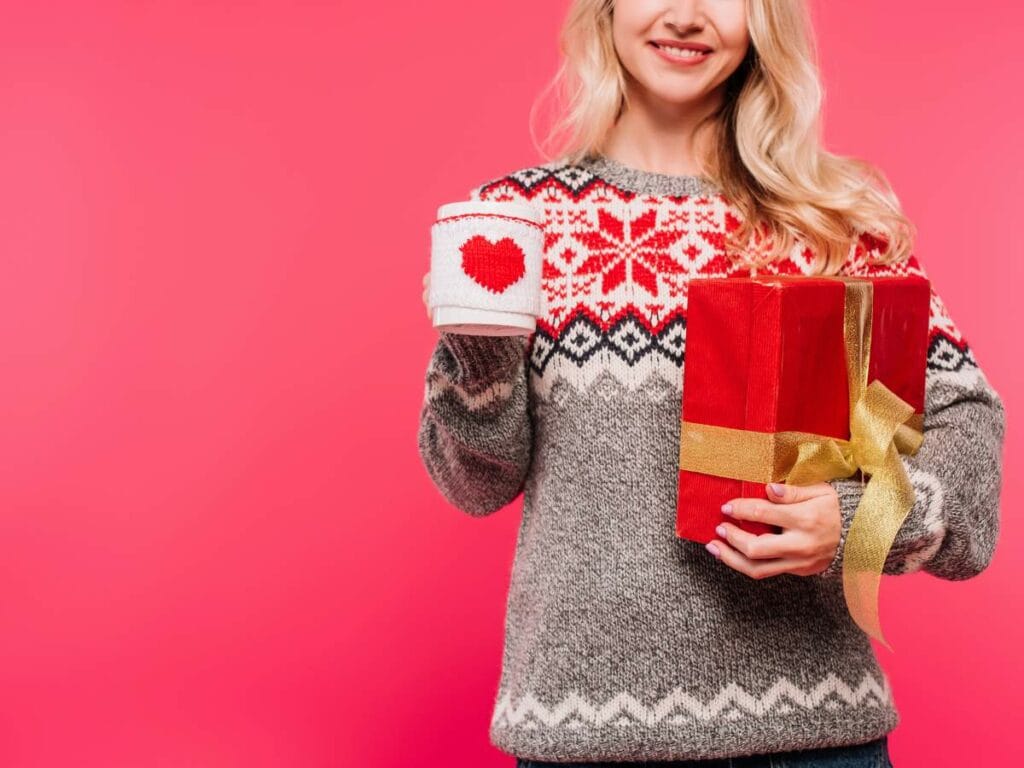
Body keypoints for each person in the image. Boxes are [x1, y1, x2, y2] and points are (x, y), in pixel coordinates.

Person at [417, 1, 1006, 766]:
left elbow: (968, 426)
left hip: (813, 735)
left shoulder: (826, 225)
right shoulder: (516, 220)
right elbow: (473, 484)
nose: (688, 16)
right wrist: (481, 351)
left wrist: (860, 523)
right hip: (580, 732)